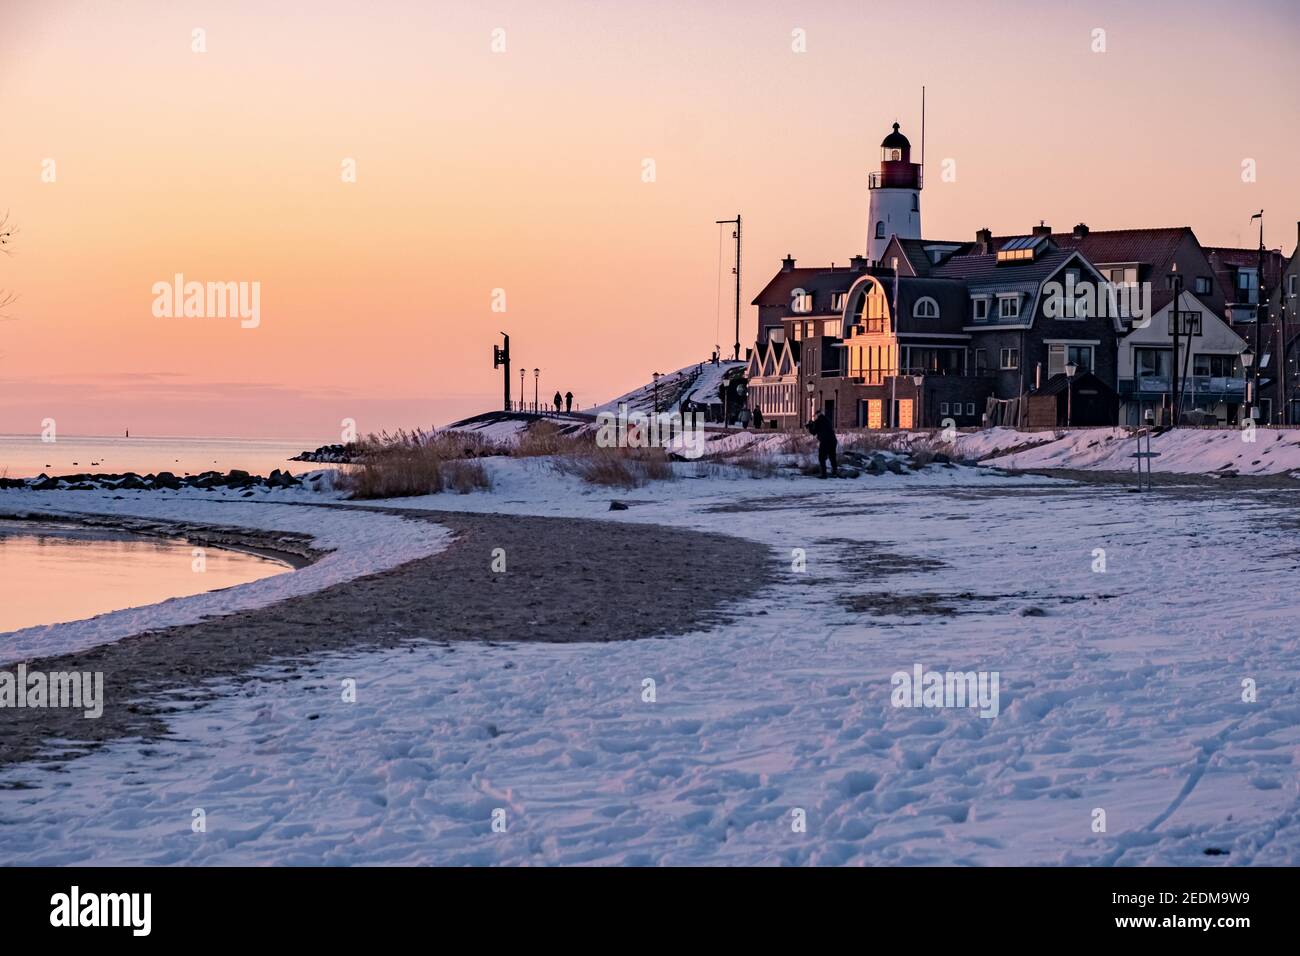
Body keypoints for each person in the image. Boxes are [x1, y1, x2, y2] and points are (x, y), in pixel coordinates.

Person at [807, 411, 838, 478]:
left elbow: (814, 432)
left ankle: (824, 474)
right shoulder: (828, 420)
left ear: (817, 415)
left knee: (821, 458)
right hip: (833, 440)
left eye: (814, 416)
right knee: (832, 457)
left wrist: (809, 426)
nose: (814, 417)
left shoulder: (818, 421)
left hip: (825, 441)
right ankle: (835, 472)